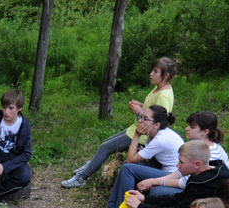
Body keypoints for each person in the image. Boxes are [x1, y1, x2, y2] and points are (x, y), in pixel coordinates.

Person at [63, 57, 177, 188]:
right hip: (136, 127)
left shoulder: (164, 95)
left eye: (155, 71)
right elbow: (153, 110)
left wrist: (140, 112)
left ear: (166, 75)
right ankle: (89, 168)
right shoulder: (158, 88)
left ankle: (82, 178)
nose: (151, 73)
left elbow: (158, 122)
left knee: (106, 147)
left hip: (142, 134)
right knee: (106, 143)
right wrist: (142, 105)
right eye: (152, 70)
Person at [95, 105, 184, 208]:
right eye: (141, 117)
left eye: (145, 118)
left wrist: (137, 135)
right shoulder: (154, 133)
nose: (140, 121)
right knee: (127, 166)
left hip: (173, 175)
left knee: (128, 168)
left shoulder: (161, 139)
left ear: (156, 124)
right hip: (166, 170)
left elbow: (131, 159)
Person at [134, 110, 229, 198]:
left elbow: (184, 183)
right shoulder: (200, 146)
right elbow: (180, 172)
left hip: (202, 196)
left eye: (191, 127)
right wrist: (155, 180)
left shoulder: (210, 154)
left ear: (205, 132)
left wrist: (155, 182)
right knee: (132, 168)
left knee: (156, 192)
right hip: (187, 183)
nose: (186, 128)